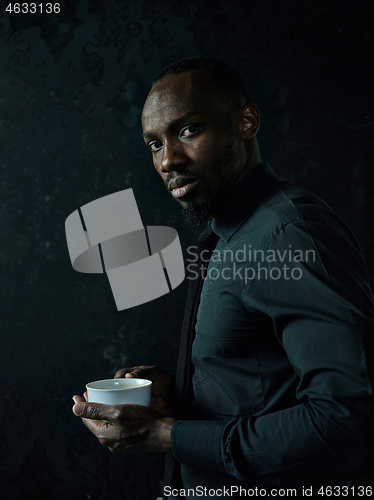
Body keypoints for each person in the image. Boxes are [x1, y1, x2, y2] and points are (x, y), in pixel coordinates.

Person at [72, 57, 374, 497]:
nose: (168, 160)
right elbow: (266, 382)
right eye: (154, 144)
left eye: (189, 130)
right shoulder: (225, 235)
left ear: (246, 122)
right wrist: (184, 395)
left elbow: (346, 421)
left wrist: (165, 435)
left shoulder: (287, 234)